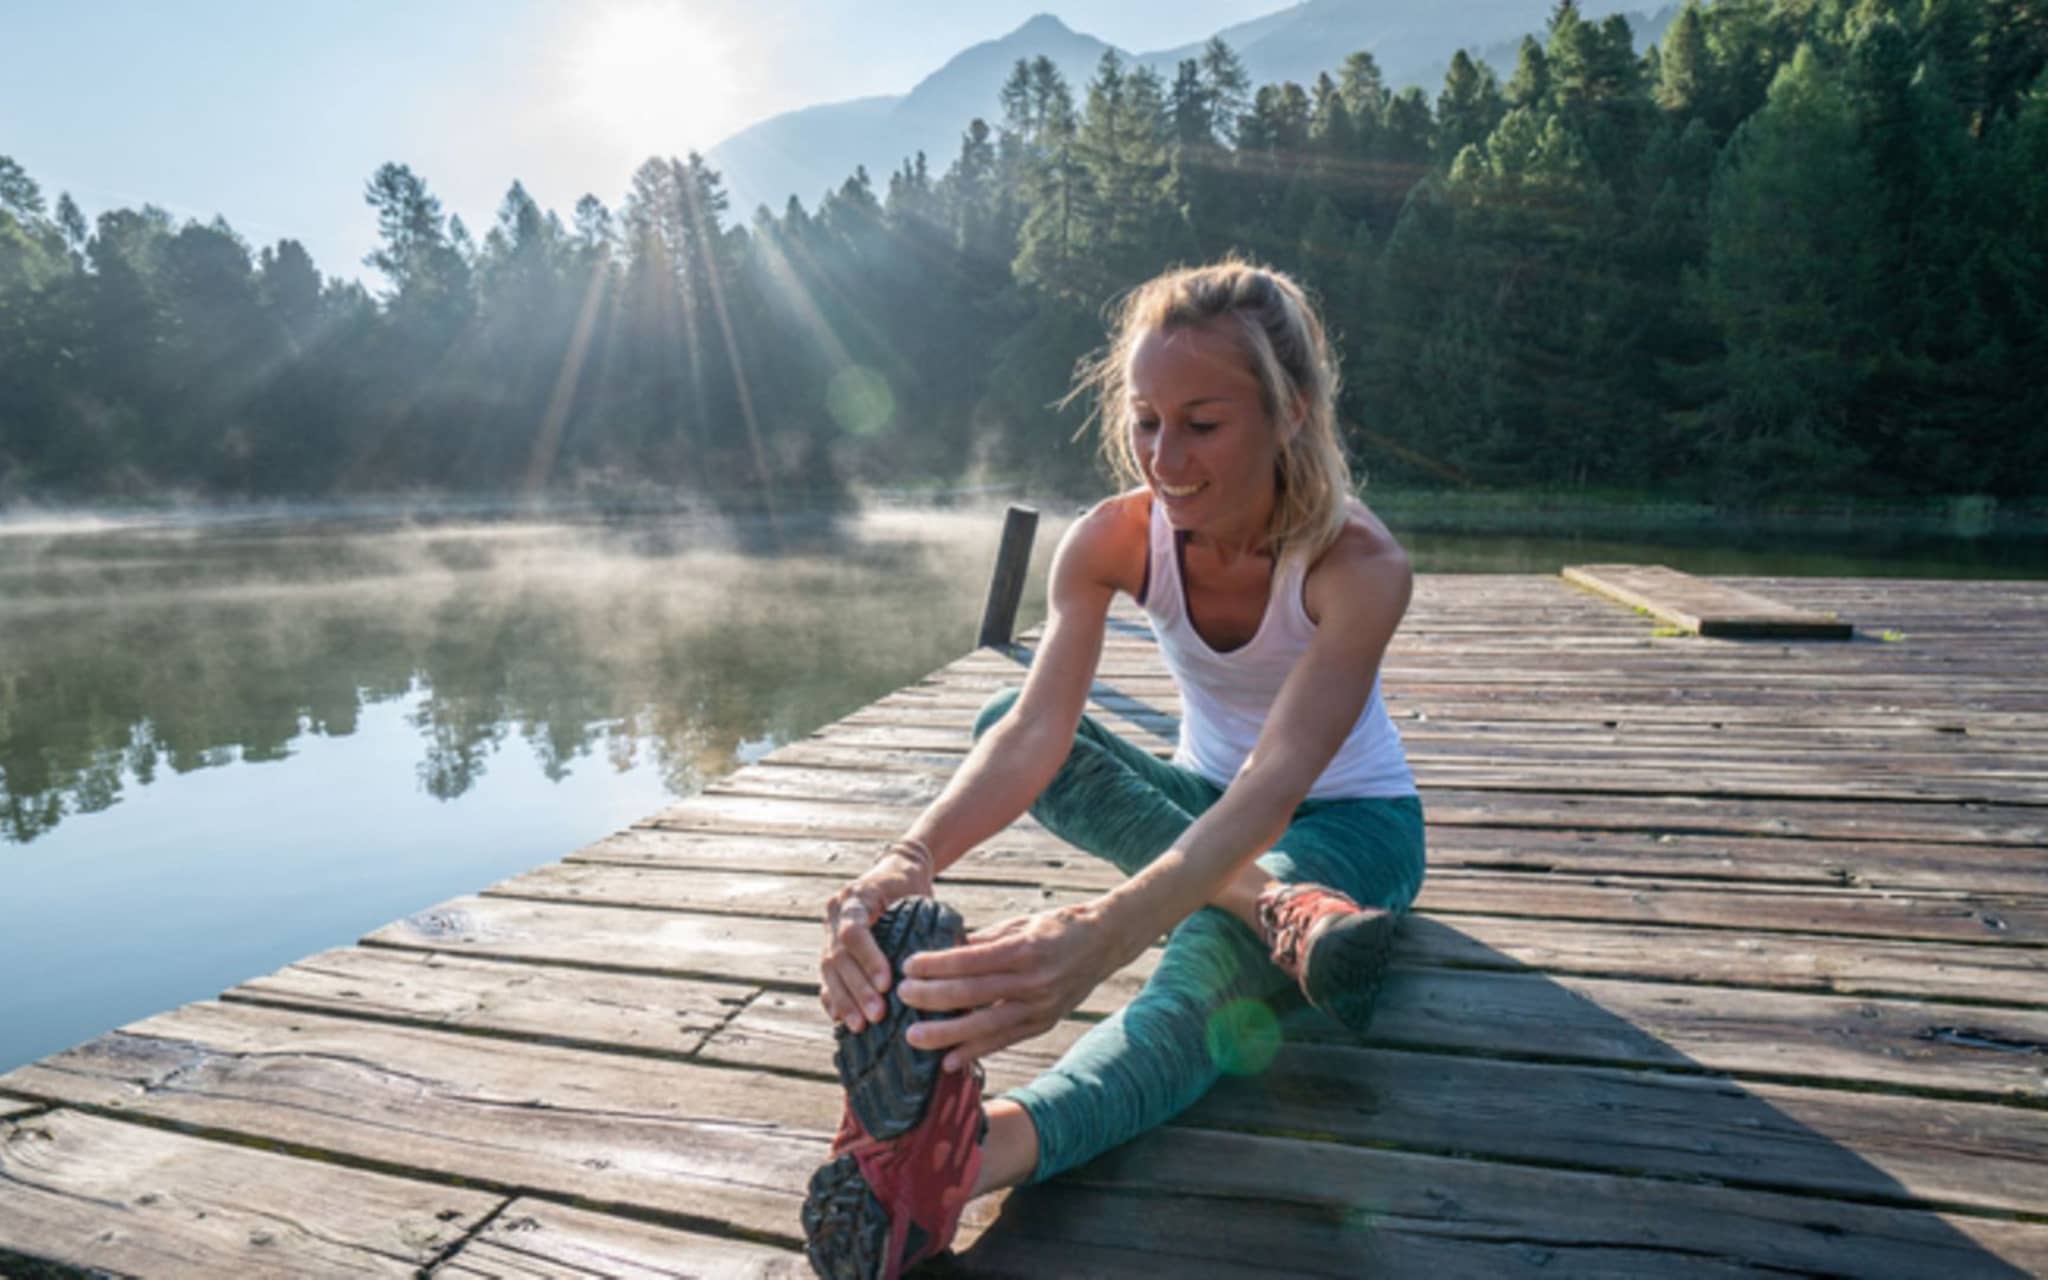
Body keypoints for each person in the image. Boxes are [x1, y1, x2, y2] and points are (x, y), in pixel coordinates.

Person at [803, 259, 1426, 1279]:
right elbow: (1036, 730)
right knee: (1003, 708)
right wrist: (902, 862)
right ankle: (1275, 907)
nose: (1162, 459)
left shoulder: (1357, 565)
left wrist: (1098, 934)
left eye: (1201, 422)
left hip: (1350, 825)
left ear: (1290, 413)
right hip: (1206, 815)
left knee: (1199, 982)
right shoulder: (1110, 539)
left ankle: (969, 1156)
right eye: (1144, 420)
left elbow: (1272, 786)